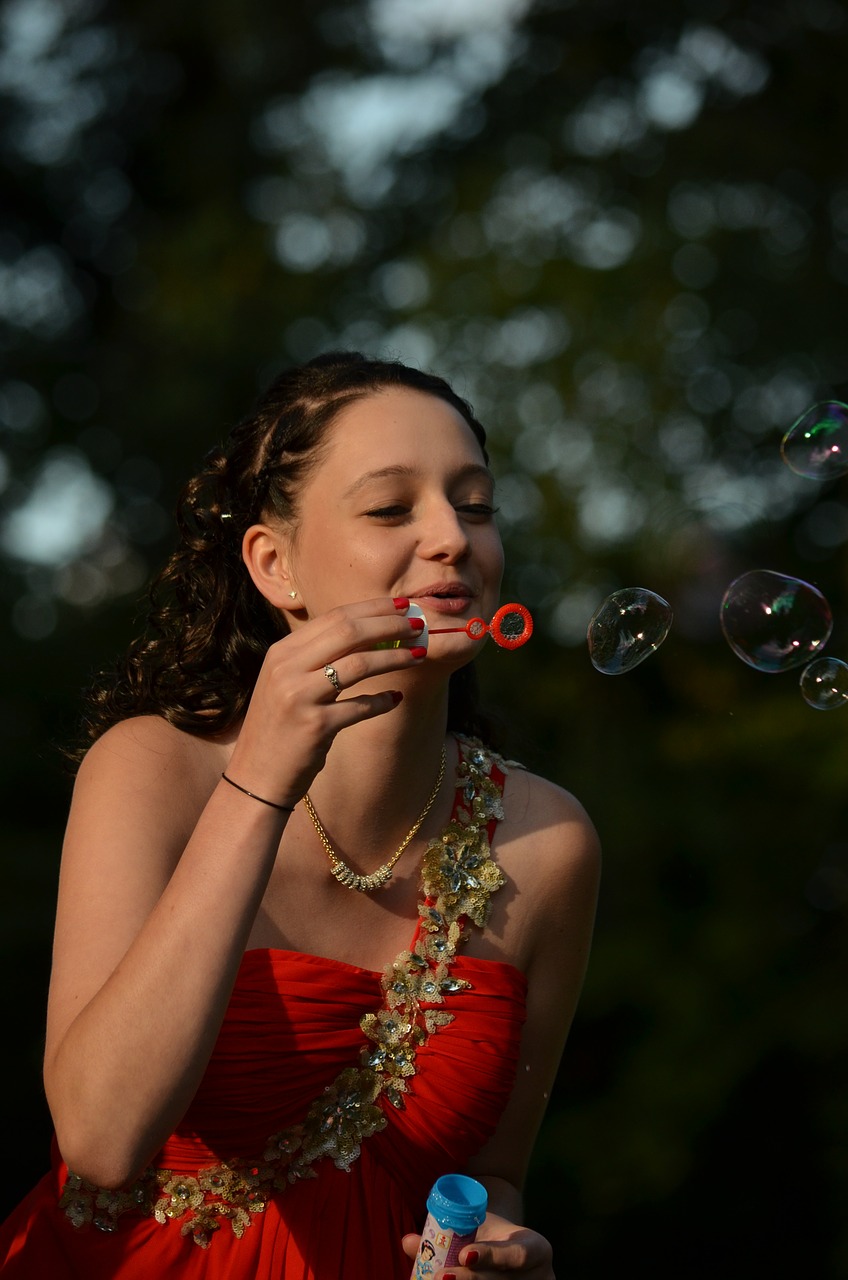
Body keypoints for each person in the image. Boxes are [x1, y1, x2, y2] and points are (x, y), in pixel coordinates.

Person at [0, 351, 600, 1279]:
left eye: (474, 505)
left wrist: (506, 1250)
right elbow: (102, 1138)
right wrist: (260, 784)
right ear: (276, 565)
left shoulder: (549, 844)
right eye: (392, 507)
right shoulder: (150, 771)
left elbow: (495, 1178)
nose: (451, 537)